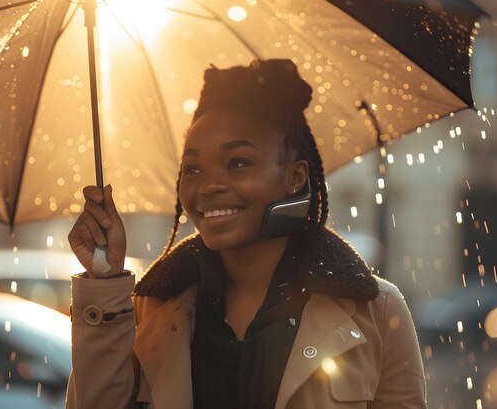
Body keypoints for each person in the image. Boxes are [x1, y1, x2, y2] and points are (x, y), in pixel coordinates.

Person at [66, 59, 427, 409]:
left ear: (294, 178)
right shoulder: (149, 309)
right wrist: (105, 280)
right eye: (192, 168)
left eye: (237, 163)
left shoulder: (376, 311)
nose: (208, 186)